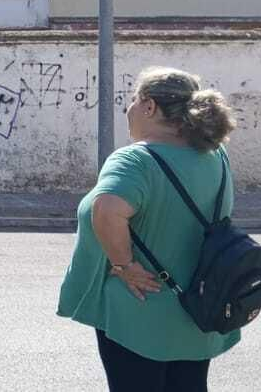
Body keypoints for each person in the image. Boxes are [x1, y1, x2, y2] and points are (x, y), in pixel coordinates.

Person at [57, 67, 242, 392]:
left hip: (140, 312)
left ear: (150, 107)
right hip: (198, 309)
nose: (128, 110)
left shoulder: (135, 161)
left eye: (132, 100)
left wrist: (124, 265)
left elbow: (107, 209)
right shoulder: (216, 155)